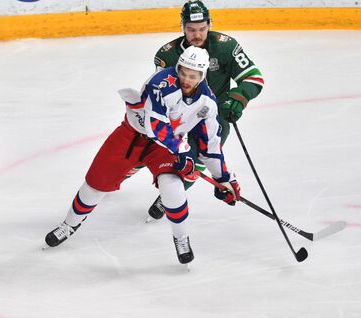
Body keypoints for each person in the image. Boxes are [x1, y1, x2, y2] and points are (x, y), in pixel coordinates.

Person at [44, 46, 241, 264]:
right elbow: (155, 125)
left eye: (192, 76)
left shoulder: (207, 103)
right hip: (132, 136)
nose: (185, 78)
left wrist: (224, 179)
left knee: (172, 186)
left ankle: (181, 238)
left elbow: (209, 144)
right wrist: (182, 150)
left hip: (164, 147)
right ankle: (69, 225)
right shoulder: (161, 83)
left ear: (202, 76)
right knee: (95, 185)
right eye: (183, 72)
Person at [146, 0, 264, 220]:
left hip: (213, 113)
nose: (197, 35)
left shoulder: (226, 46)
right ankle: (123, 173)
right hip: (177, 114)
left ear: (210, 25)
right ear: (182, 28)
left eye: (202, 29)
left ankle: (171, 196)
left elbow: (253, 77)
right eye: (191, 29)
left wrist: (237, 98)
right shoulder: (168, 54)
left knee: (198, 157)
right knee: (145, 143)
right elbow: (158, 91)